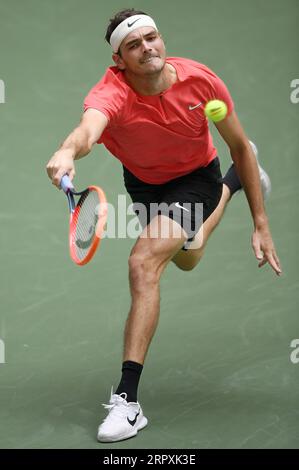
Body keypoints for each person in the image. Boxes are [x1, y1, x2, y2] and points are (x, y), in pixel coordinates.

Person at [46, 8, 282, 443]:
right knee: (188, 258)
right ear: (120, 59)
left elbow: (237, 147)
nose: (146, 48)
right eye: (133, 45)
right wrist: (66, 151)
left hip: (196, 179)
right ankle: (232, 188)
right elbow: (87, 129)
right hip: (145, 184)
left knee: (143, 264)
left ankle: (128, 402)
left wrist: (261, 223)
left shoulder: (202, 82)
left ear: (161, 39)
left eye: (151, 38)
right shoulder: (110, 93)